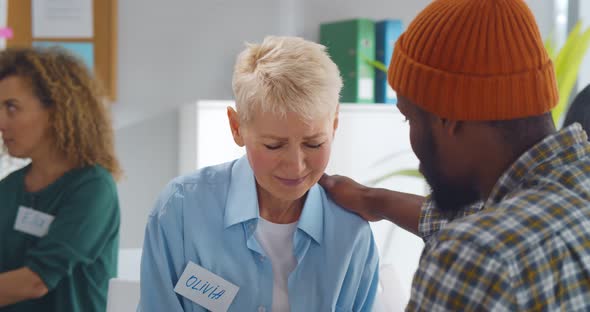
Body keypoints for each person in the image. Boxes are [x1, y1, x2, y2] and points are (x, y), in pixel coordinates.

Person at [319, 0, 590, 310]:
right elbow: (495, 216)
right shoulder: (570, 196)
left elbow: (485, 237)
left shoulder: (475, 256)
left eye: (410, 119)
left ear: (450, 119)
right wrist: (374, 199)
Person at [138, 36, 379, 312]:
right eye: (273, 145)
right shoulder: (180, 210)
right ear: (236, 127)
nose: (295, 165)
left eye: (314, 144)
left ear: (334, 124)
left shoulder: (350, 231)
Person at [0, 48, 121, 312]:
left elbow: (35, 281)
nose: (1, 122)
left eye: (11, 107)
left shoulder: (93, 188)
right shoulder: (8, 188)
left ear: (57, 110)